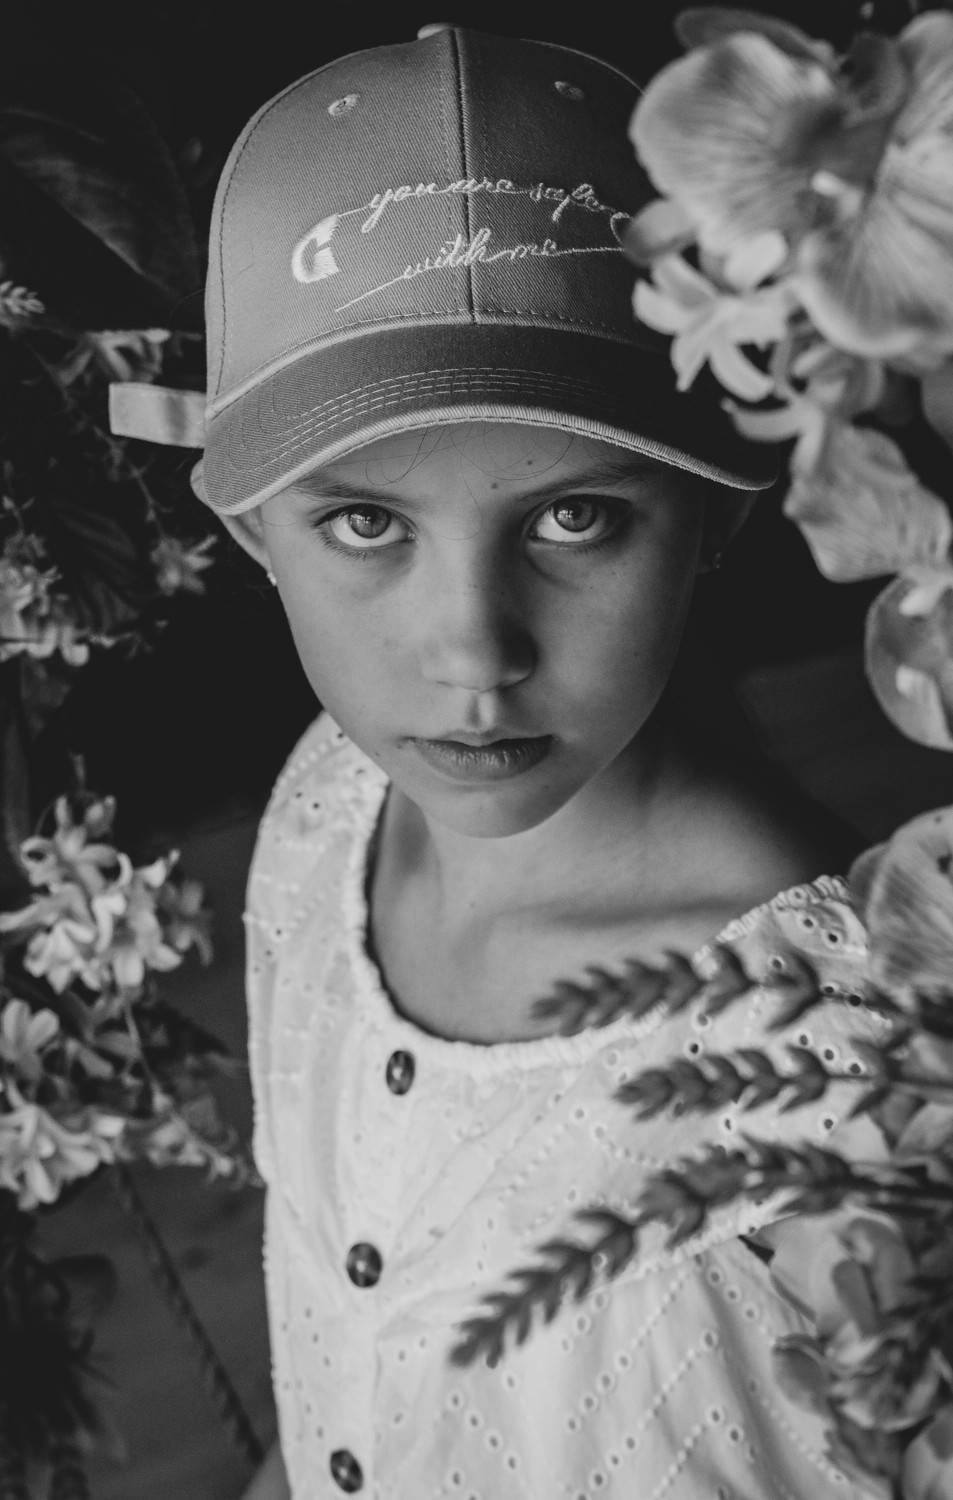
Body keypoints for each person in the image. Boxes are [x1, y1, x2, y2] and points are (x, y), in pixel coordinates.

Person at [189, 24, 891, 1499]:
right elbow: (349, 1369)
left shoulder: (839, 1062)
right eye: (366, 522)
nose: (472, 649)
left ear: (714, 510)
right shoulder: (325, 808)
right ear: (252, 528)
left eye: (576, 518)